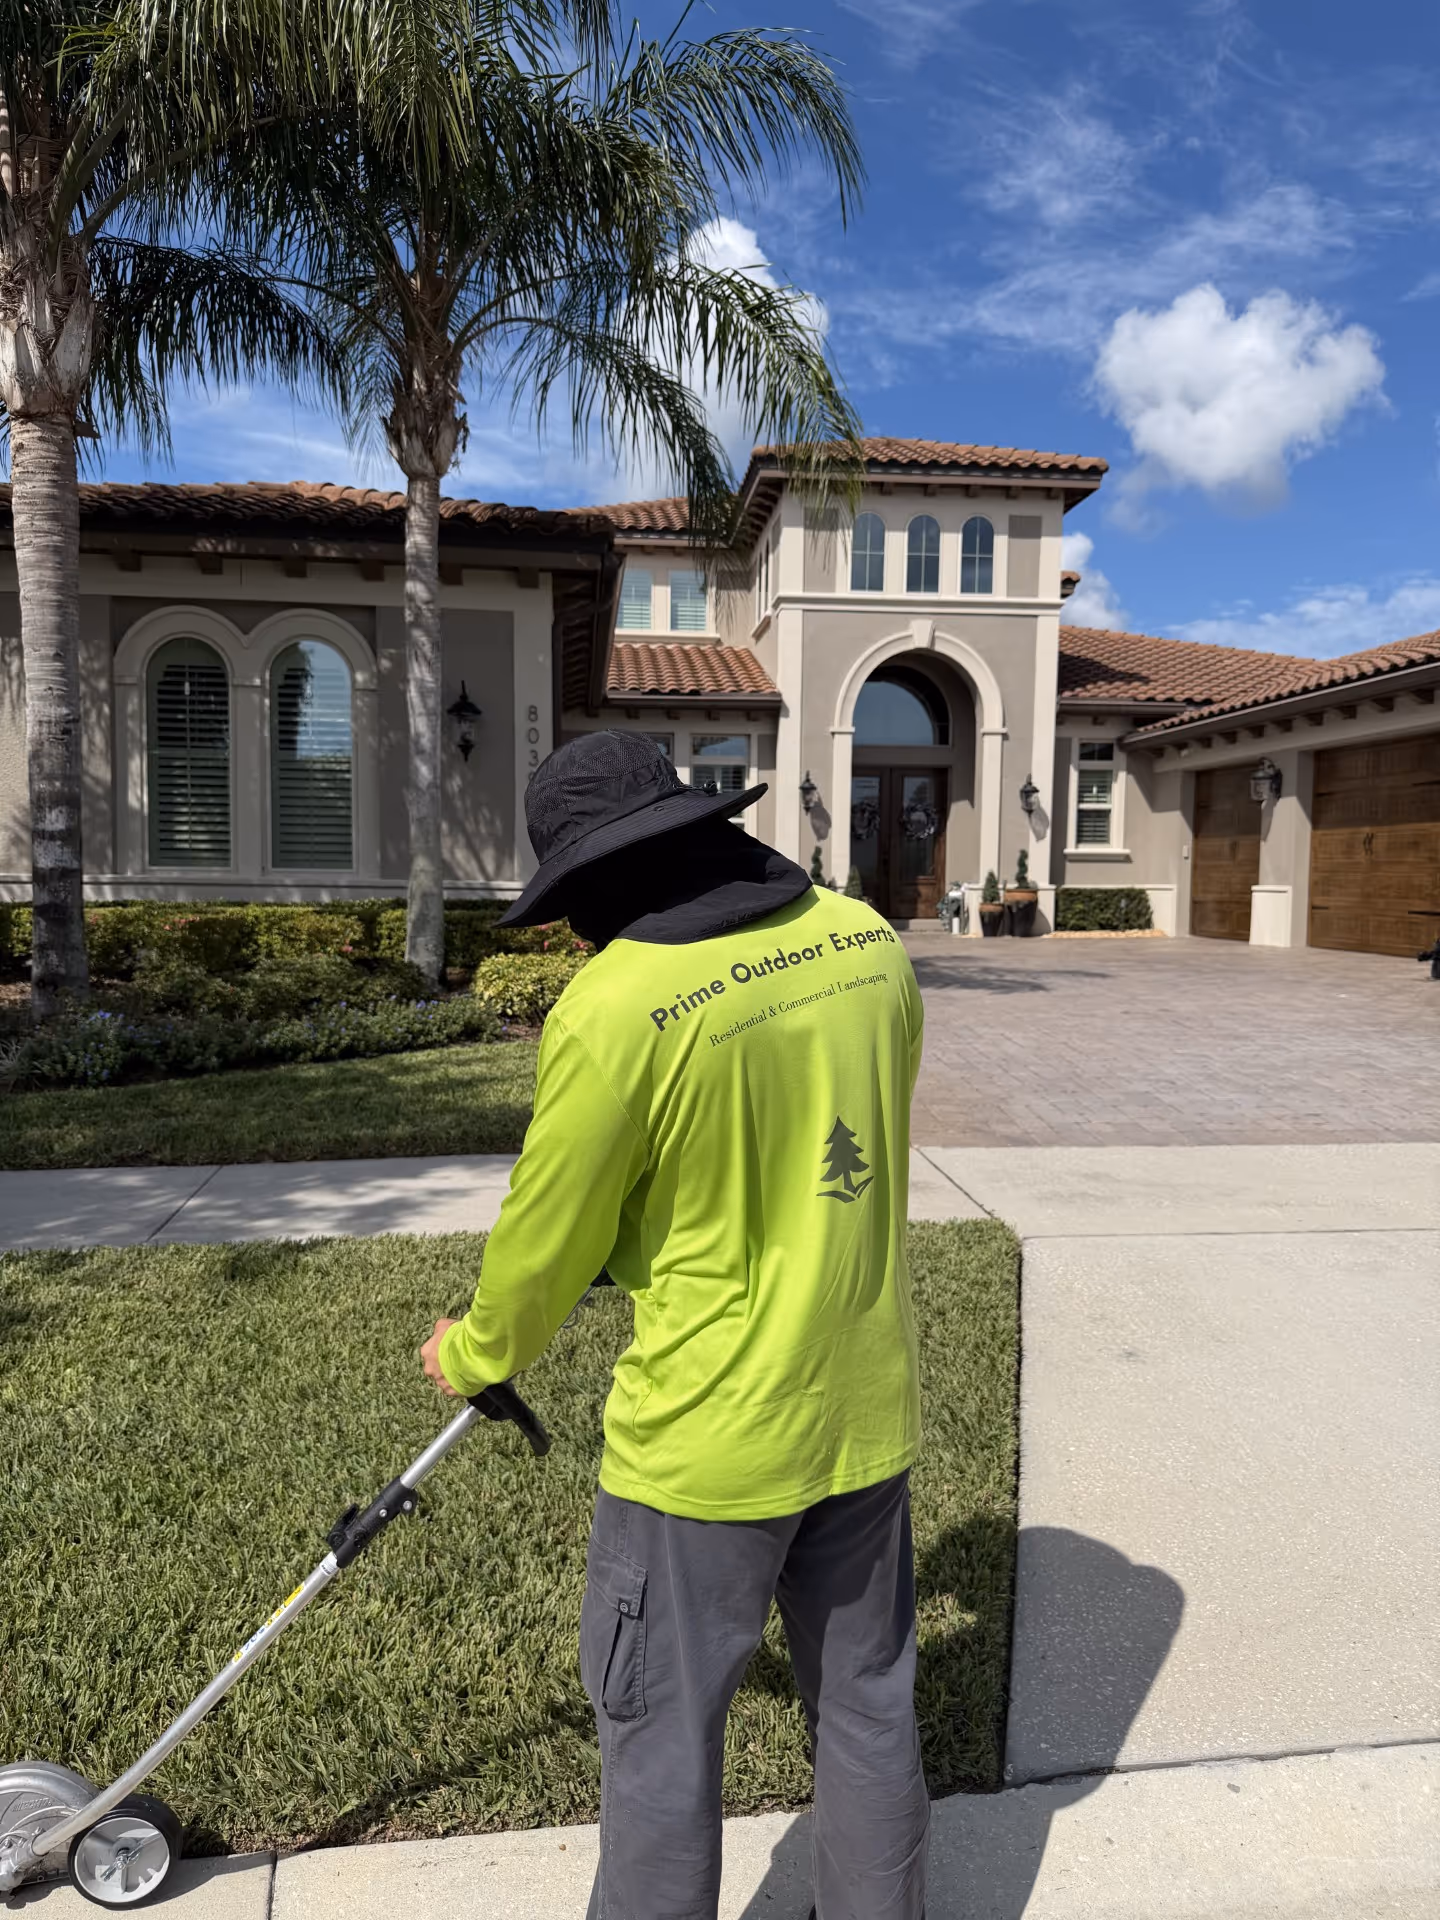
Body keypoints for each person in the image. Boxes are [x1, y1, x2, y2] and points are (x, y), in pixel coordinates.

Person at [421, 730, 929, 1920]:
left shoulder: (619, 1006)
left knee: (659, 1743)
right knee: (869, 1707)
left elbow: (545, 1238)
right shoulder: (867, 941)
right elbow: (841, 1152)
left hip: (706, 1450)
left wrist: (474, 1352)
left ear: (597, 879)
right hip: (864, 1411)